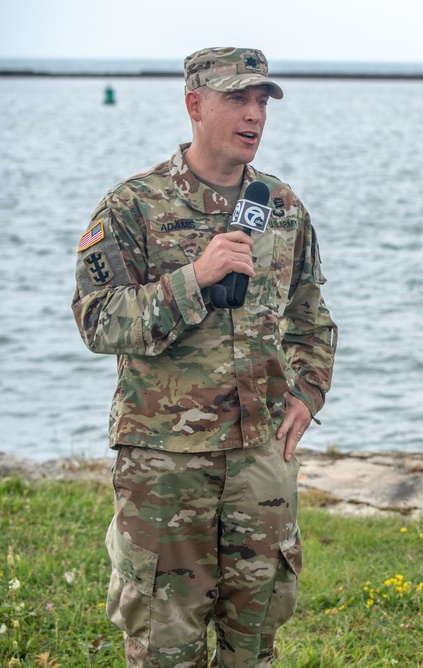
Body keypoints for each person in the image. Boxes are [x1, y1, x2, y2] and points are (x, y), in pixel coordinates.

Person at [72, 47, 336, 666]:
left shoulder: (282, 206)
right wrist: (195, 277)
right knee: (166, 647)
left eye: (262, 101)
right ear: (194, 105)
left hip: (260, 464)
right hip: (165, 465)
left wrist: (308, 393)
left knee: (255, 645)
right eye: (237, 99)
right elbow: (97, 320)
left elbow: (310, 316)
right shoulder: (133, 205)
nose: (254, 115)